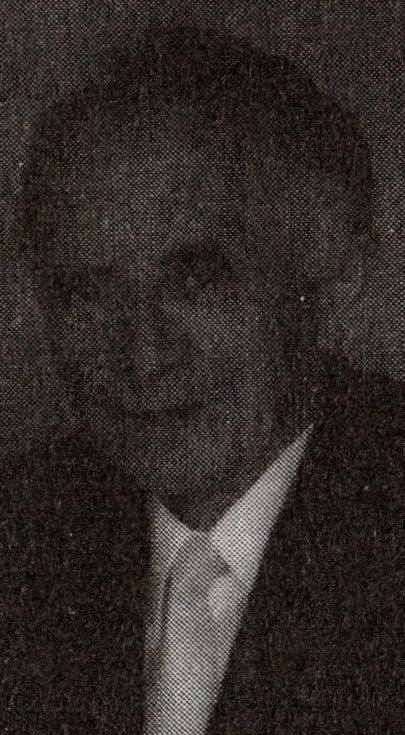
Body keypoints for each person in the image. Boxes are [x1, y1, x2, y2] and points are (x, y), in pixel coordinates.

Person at [2, 27, 403, 734]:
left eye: (194, 281)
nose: (143, 355)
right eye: (88, 295)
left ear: (330, 275)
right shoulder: (23, 533)